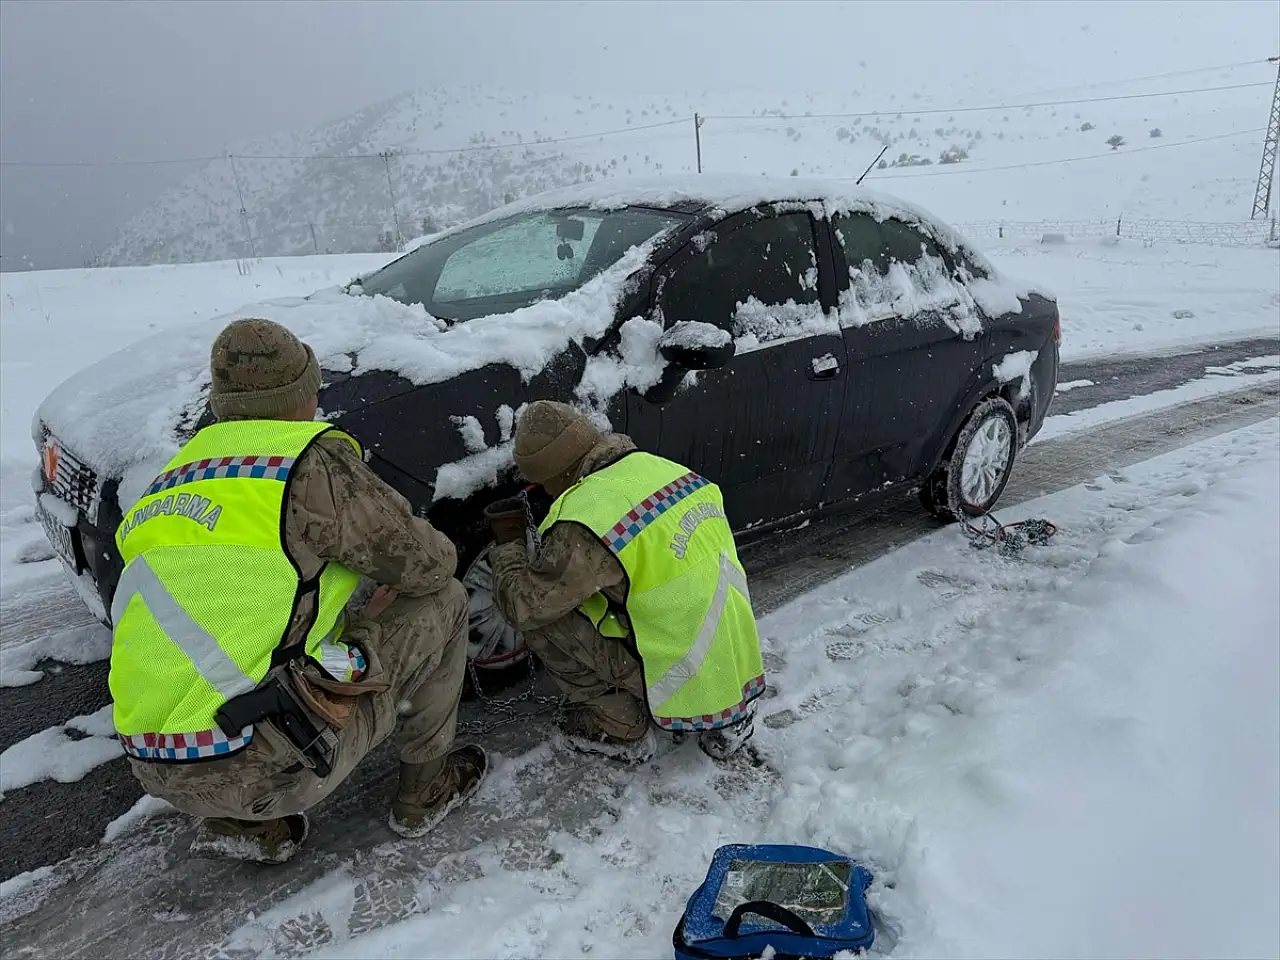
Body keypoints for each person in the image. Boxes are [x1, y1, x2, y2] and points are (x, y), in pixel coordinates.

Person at [107, 318, 486, 865]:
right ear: (303, 395)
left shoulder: (169, 481)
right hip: (270, 765)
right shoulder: (308, 465)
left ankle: (249, 823)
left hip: (155, 765)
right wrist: (370, 614)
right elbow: (428, 565)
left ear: (222, 404)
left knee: (259, 643)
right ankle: (424, 792)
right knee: (443, 599)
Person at [484, 400, 766, 764]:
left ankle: (618, 724)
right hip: (732, 655)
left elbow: (523, 605)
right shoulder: (663, 470)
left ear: (555, 475)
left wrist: (509, 545)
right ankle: (727, 711)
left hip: (675, 670)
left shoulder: (585, 522)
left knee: (544, 618)